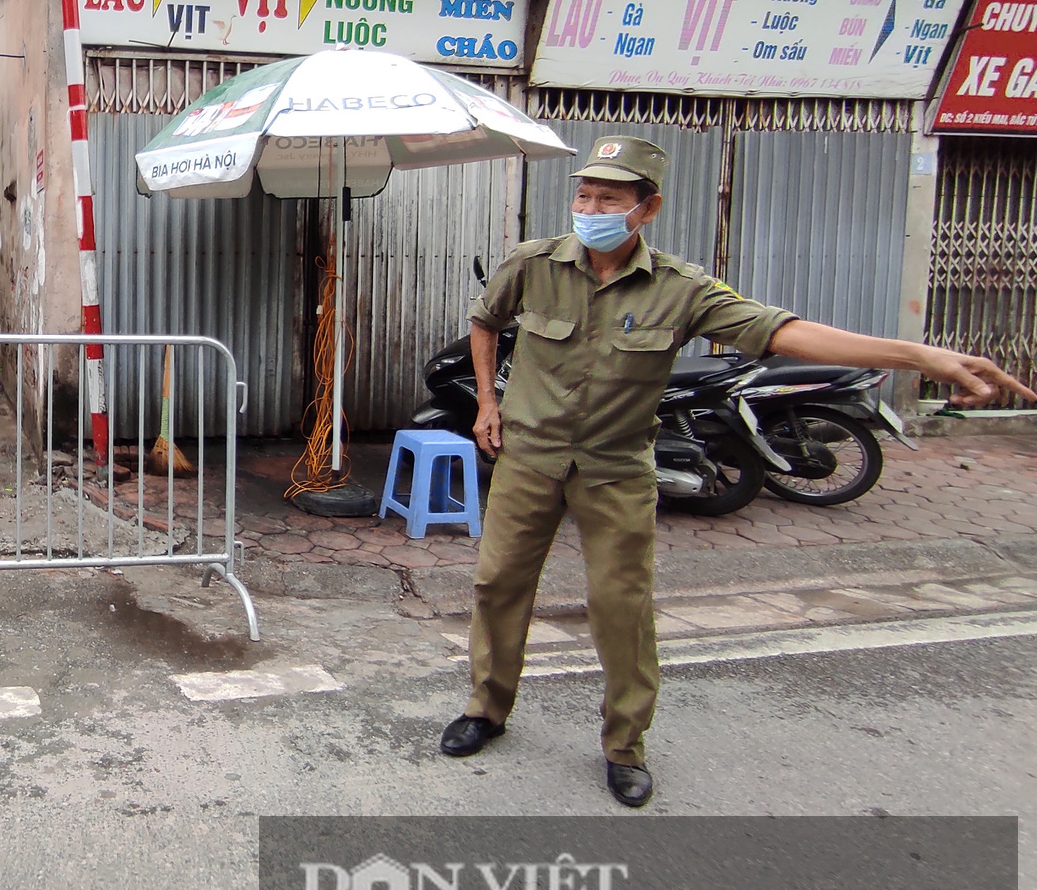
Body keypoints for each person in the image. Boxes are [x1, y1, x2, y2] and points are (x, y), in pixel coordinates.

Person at [438, 137, 1035, 807]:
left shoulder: (682, 289)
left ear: (647, 208)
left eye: (608, 196)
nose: (590, 206)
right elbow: (485, 322)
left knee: (621, 608)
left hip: (617, 467)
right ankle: (486, 709)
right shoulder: (533, 262)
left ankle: (624, 747)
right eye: (584, 193)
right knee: (498, 585)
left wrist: (918, 355)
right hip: (530, 458)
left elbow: (785, 331)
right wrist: (489, 400)